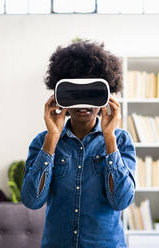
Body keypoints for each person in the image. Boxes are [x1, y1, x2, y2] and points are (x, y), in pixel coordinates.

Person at [21, 39, 137, 248]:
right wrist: (52, 139)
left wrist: (109, 138)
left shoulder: (120, 141)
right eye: (75, 94)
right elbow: (32, 200)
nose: (83, 104)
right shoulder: (43, 141)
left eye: (91, 93)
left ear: (106, 94)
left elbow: (121, 201)